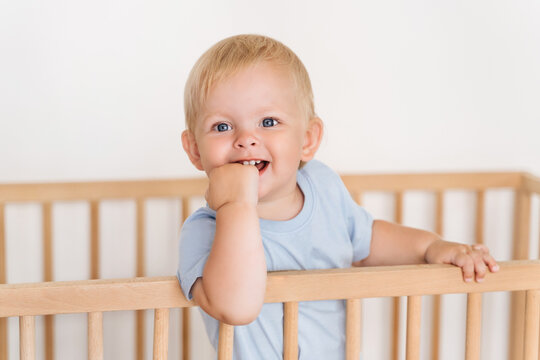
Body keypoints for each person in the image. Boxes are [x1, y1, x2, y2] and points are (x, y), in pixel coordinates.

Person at [177, 34, 498, 359]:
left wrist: (431, 247)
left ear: (307, 139)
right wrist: (236, 204)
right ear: (195, 150)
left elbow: (368, 239)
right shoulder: (204, 230)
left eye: (269, 122)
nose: (246, 139)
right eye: (221, 127)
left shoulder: (323, 186)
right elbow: (236, 307)